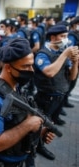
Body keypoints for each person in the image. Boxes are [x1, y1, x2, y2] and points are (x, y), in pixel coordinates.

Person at [0, 38, 55, 167]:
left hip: (19, 157)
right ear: (8, 67)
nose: (31, 70)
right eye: (25, 66)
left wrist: (40, 130)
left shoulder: (15, 85)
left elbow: (17, 120)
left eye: (31, 65)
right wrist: (28, 125)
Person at [34, 25, 78, 160]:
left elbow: (72, 77)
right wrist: (65, 54)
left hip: (60, 96)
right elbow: (49, 72)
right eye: (63, 37)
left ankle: (40, 144)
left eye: (66, 36)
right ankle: (35, 146)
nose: (66, 40)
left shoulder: (62, 51)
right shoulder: (43, 54)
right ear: (53, 37)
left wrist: (75, 62)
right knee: (40, 125)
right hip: (47, 97)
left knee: (51, 123)